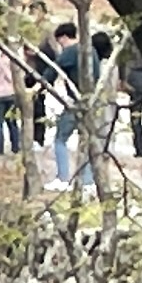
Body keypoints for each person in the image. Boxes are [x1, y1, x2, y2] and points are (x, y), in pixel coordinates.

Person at [40, 19, 90, 185]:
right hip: (93, 101)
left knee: (60, 139)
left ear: (63, 38)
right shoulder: (91, 50)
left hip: (76, 102)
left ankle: (62, 178)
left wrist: (39, 86)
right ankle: (88, 180)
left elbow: (54, 70)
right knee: (87, 139)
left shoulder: (70, 51)